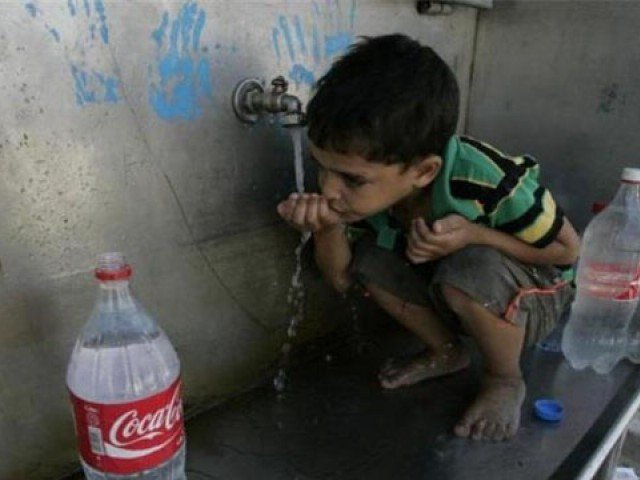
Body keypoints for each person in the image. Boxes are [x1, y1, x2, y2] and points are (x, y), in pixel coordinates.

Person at [277, 34, 580, 442]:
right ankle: (447, 351)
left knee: (472, 266)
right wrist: (326, 226)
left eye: (351, 179)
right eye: (321, 167)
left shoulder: (486, 177)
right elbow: (341, 278)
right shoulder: (370, 192)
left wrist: (475, 234)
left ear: (423, 171)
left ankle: (504, 376)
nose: (329, 190)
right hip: (454, 291)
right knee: (368, 260)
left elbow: (567, 251)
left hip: (537, 295)